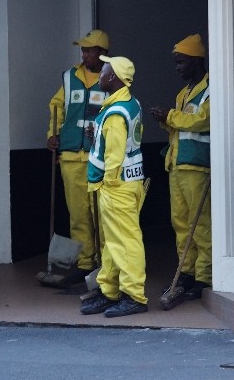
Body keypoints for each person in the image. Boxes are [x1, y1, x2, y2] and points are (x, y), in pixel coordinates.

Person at [79, 55, 148, 318]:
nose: (100, 74)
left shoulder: (117, 112)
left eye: (105, 70)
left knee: (126, 242)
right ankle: (109, 291)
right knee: (113, 243)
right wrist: (96, 133)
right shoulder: (125, 104)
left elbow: (115, 154)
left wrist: (107, 184)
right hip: (122, 184)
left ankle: (134, 296)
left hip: (116, 186)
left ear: (115, 78)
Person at [150, 33, 211, 304]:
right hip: (176, 164)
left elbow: (202, 121)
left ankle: (204, 275)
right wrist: (165, 121)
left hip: (198, 166)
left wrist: (171, 116)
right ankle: (185, 272)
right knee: (181, 224)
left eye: (182, 62)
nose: (178, 68)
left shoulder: (211, 88)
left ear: (197, 60)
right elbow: (181, 125)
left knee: (201, 224)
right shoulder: (183, 93)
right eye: (176, 63)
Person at [46, 29, 110, 284]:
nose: (84, 54)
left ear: (103, 53)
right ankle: (85, 264)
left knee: (103, 215)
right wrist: (52, 134)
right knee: (79, 215)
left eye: (90, 50)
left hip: (99, 158)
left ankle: (106, 265)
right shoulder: (69, 77)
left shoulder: (112, 78)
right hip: (71, 156)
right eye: (83, 50)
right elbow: (56, 107)